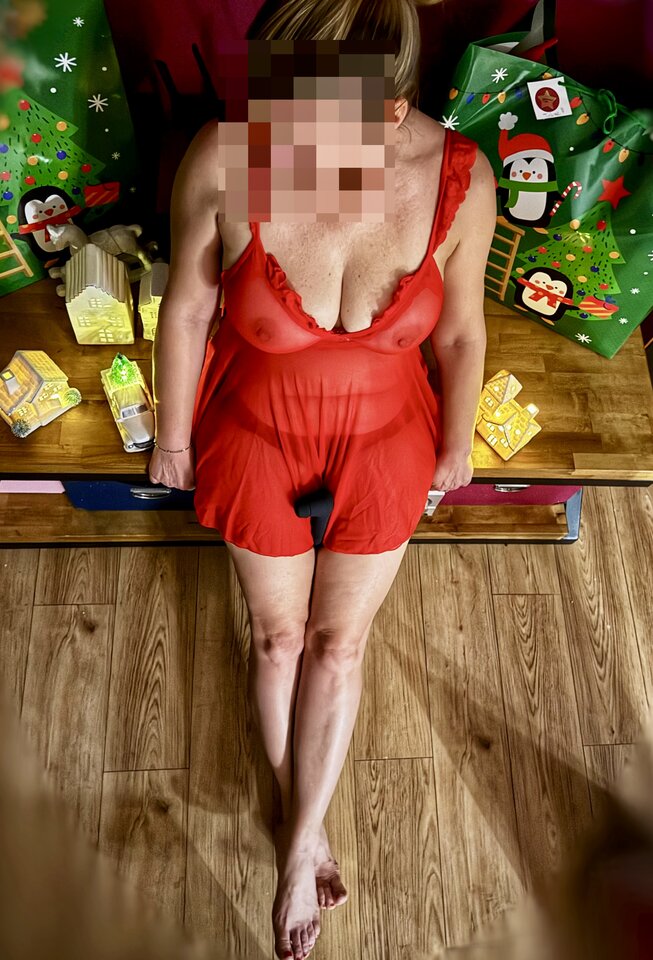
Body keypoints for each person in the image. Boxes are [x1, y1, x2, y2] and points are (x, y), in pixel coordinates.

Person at [148, 1, 496, 957]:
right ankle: (298, 811)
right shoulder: (227, 157)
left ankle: (301, 841)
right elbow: (187, 309)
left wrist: (458, 440)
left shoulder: (460, 177)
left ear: (393, 108)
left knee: (339, 647)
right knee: (277, 640)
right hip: (254, 426)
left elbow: (461, 333)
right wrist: (172, 438)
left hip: (386, 433)